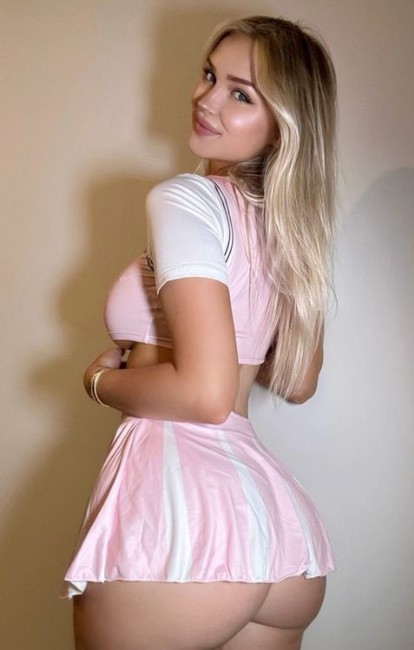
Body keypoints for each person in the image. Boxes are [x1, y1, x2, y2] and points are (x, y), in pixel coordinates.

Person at [62, 15, 337, 650]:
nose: (206, 99)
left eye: (241, 93)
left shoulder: (188, 199)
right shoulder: (292, 227)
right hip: (277, 533)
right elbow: (296, 382)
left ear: (284, 122)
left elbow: (205, 396)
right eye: (210, 76)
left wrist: (100, 381)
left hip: (181, 521)